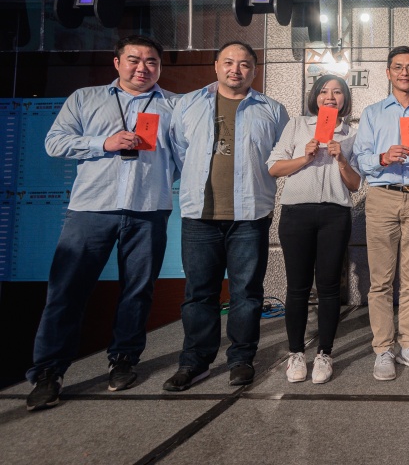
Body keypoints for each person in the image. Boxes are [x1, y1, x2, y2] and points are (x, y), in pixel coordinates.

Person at [26, 36, 178, 411]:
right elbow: (54, 143)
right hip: (91, 208)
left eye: (151, 61)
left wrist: (167, 181)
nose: (142, 67)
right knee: (67, 290)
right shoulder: (85, 98)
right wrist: (102, 143)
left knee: (138, 290)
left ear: (160, 67)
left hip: (148, 209)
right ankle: (48, 372)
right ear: (117, 63)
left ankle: (124, 360)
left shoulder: (174, 105)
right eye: (134, 59)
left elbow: (185, 155)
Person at [163, 41, 289, 391]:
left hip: (250, 215)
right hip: (199, 215)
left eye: (245, 64)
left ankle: (241, 359)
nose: (236, 69)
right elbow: (180, 150)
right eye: (229, 62)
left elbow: (281, 156)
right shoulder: (188, 104)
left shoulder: (272, 110)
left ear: (254, 70)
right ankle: (194, 361)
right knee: (198, 292)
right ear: (216, 65)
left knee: (246, 292)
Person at [354, 46, 409, 381]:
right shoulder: (372, 113)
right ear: (388, 73)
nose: (404, 73)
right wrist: (383, 157)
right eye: (398, 67)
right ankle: (383, 348)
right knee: (380, 280)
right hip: (382, 197)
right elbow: (360, 159)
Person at [267, 74, 361, 384]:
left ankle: (324, 353)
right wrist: (304, 157)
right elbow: (274, 167)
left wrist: (341, 158)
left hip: (335, 214)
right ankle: (296, 353)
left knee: (329, 286)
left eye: (337, 92)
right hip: (297, 213)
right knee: (297, 286)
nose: (330, 97)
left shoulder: (351, 133)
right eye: (324, 91)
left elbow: (355, 184)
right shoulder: (297, 125)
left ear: (345, 99)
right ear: (315, 96)